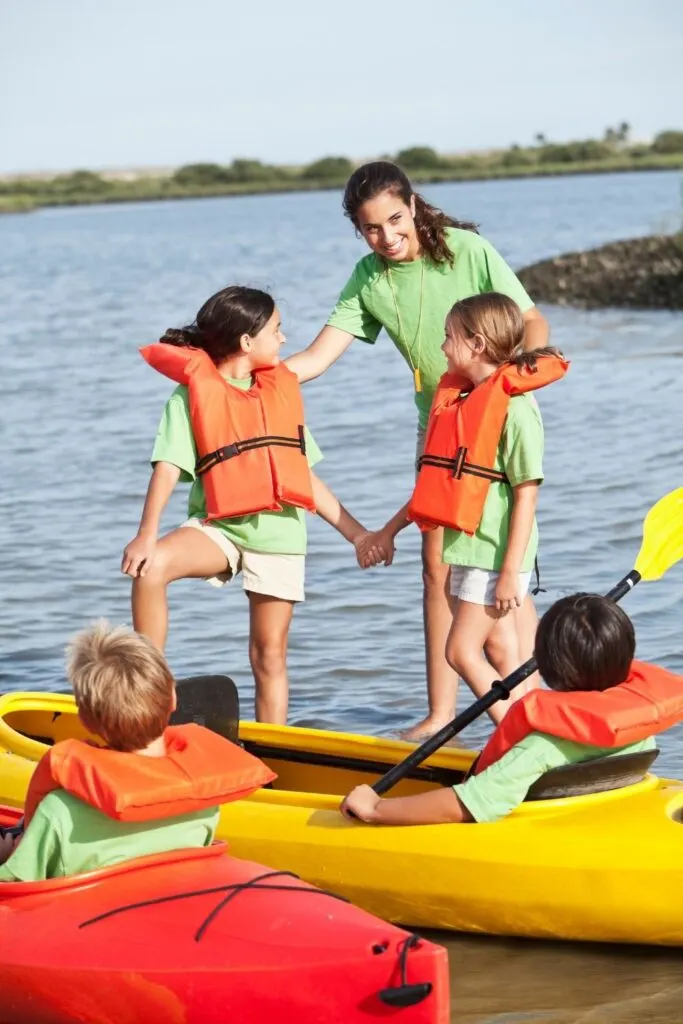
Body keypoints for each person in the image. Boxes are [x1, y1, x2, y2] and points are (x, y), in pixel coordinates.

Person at [286, 161, 549, 740]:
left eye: (395, 220)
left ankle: (531, 708)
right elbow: (315, 358)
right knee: (435, 569)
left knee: (506, 563)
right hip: (437, 432)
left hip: (491, 425)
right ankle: (441, 712)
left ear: (412, 203)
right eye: (372, 229)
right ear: (359, 231)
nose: (387, 237)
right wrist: (245, 376)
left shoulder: (466, 249)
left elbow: (531, 320)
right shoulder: (369, 279)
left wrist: (508, 385)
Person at [122, 285, 383, 724]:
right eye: (277, 330)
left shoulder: (277, 393)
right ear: (247, 342)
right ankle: (152, 684)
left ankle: (271, 749)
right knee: (152, 568)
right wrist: (146, 535)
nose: (283, 339)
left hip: (279, 534)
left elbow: (303, 477)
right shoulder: (191, 396)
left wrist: (356, 534)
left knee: (268, 656)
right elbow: (167, 467)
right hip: (219, 526)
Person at [367, 293, 567, 723]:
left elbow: (527, 495)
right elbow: (438, 487)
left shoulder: (516, 410)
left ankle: (516, 739)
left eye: (448, 338)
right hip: (469, 548)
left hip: (495, 553)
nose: (441, 348)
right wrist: (388, 531)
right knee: (498, 647)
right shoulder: (463, 403)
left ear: (476, 344)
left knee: (460, 651)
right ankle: (534, 729)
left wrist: (512, 573)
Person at [340, 593, 683, 825]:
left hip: (546, 832)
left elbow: (469, 803)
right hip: (594, 817)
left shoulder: (540, 748)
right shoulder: (638, 724)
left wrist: (376, 809)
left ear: (546, 666)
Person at [0, 622, 273, 882]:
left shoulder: (58, 812)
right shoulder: (201, 799)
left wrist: (8, 856)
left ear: (85, 720)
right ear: (174, 699)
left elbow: (16, 886)